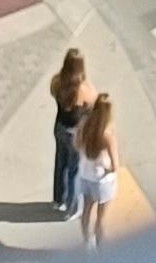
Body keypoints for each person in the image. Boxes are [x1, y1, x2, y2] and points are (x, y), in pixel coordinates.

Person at [74, 91, 121, 248]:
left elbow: (76, 145)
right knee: (101, 218)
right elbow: (115, 166)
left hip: (85, 176)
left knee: (86, 211)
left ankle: (87, 242)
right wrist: (106, 166)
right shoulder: (107, 137)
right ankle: (101, 248)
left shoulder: (84, 126)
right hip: (102, 182)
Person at [48, 47, 90, 219]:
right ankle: (72, 208)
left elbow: (54, 94)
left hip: (59, 127)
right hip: (74, 133)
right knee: (74, 169)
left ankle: (59, 199)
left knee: (60, 164)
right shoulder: (81, 89)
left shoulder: (57, 81)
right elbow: (90, 104)